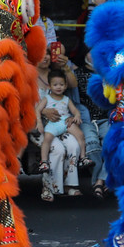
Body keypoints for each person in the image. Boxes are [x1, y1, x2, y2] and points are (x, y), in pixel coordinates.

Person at [37, 71, 82, 202]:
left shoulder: (55, 73)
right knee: (58, 149)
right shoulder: (29, 76)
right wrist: (43, 114)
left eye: (47, 54)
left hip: (62, 124)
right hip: (44, 127)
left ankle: (69, 185)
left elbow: (69, 105)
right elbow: (31, 107)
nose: (44, 57)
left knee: (74, 144)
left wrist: (72, 116)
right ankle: (49, 187)